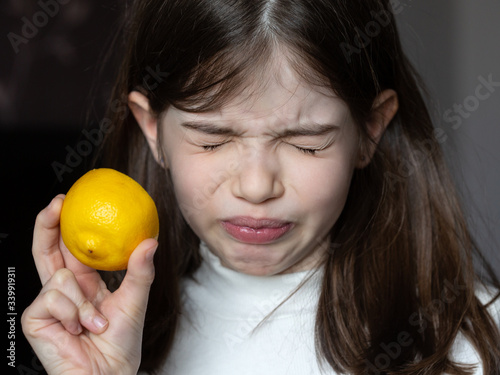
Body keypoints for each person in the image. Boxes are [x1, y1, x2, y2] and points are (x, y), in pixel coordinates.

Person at [22, 0, 500, 374]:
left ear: (369, 131)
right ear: (153, 131)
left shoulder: (474, 339)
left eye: (306, 143)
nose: (256, 186)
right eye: (212, 140)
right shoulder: (102, 332)